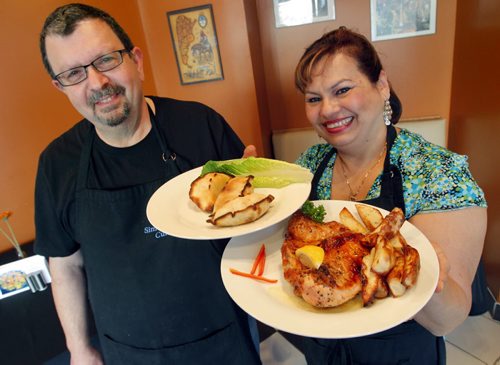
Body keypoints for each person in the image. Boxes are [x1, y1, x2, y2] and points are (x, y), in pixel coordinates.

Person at [34, 3, 260, 364]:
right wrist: (78, 348)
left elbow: (249, 224)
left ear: (136, 60)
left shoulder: (200, 125)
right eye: (74, 73)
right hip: (127, 352)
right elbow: (64, 266)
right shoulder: (56, 164)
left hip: (223, 337)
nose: (97, 83)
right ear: (60, 86)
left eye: (106, 59)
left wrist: (260, 196)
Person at [285, 26, 487, 364]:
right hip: (324, 351)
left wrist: (427, 276)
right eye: (314, 98)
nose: (327, 110)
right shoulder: (306, 167)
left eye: (342, 89)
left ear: (381, 85)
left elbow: (447, 319)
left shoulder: (438, 172)